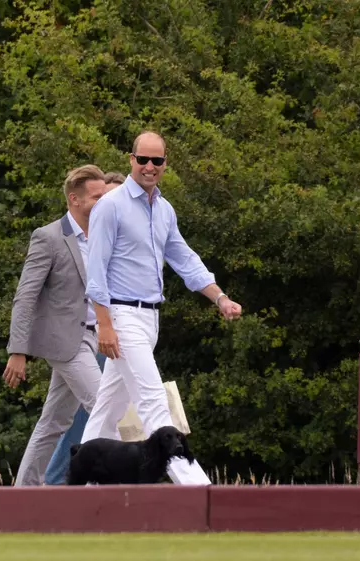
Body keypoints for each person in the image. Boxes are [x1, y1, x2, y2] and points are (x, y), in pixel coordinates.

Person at [82, 132, 242, 485]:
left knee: (106, 409)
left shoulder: (164, 209)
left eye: (157, 161)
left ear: (166, 163)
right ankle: (201, 493)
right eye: (143, 160)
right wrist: (105, 325)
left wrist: (220, 297)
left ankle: (82, 490)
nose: (150, 167)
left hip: (150, 317)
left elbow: (184, 258)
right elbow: (95, 271)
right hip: (121, 316)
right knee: (155, 404)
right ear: (131, 160)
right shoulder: (110, 206)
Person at [4, 164, 108, 487]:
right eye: (96, 197)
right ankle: (109, 492)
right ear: (74, 199)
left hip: (95, 338)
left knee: (53, 423)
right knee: (104, 408)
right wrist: (17, 350)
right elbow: (25, 296)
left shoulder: (105, 236)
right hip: (65, 343)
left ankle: (22, 494)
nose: (104, 202)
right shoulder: (48, 237)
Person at [42, 170, 127, 485]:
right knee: (90, 416)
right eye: (105, 197)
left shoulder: (120, 236)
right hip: (88, 336)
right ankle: (62, 484)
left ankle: (53, 484)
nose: (110, 204)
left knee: (71, 419)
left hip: (121, 336)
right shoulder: (78, 236)